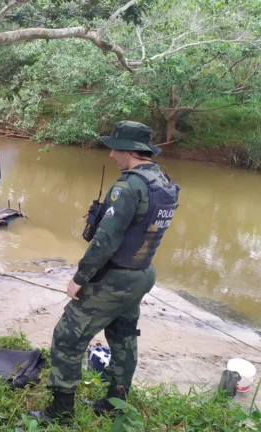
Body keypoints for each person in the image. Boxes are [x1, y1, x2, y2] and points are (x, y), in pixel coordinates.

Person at [32, 121, 180, 425]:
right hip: (141, 274)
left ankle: (60, 412)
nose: (111, 154)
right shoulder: (162, 181)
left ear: (128, 150)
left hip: (114, 278)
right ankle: (116, 402)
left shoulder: (128, 186)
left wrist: (79, 279)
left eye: (114, 148)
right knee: (123, 336)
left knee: (67, 338)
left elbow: (105, 240)